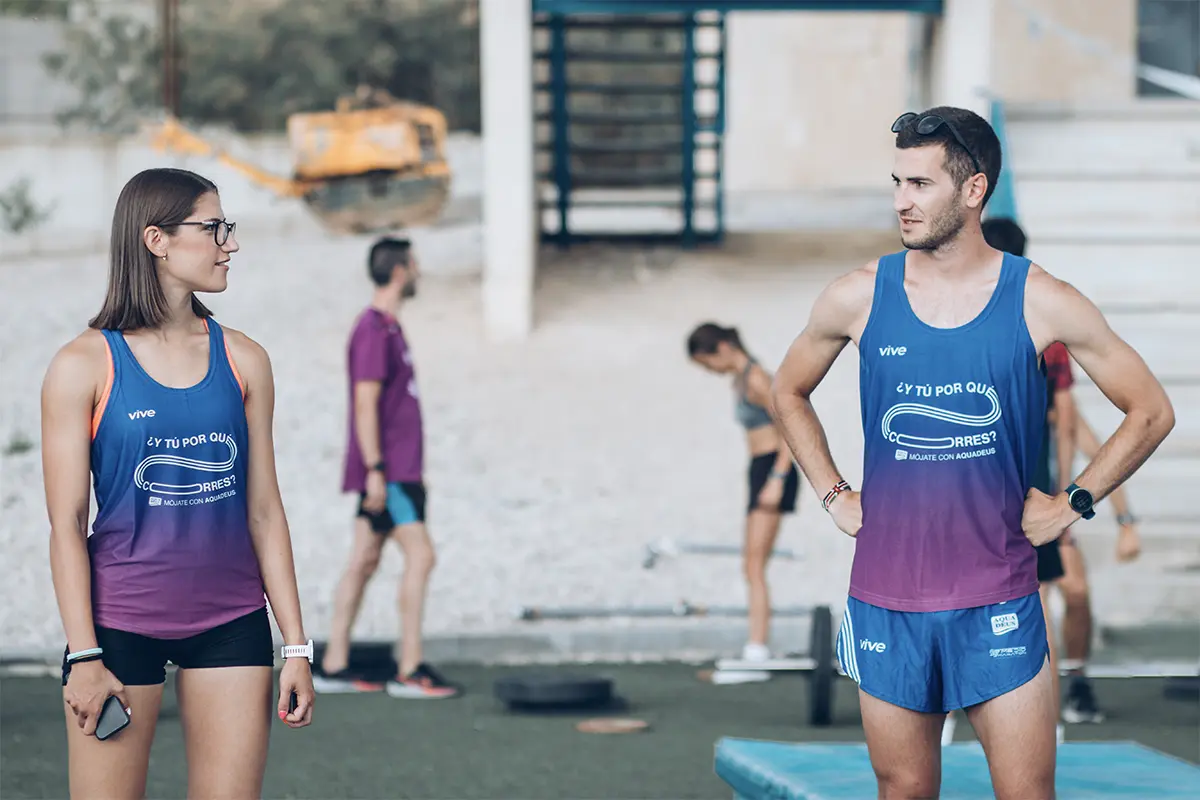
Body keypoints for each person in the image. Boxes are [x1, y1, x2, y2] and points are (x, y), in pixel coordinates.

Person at [771, 107, 1174, 799]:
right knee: (904, 790)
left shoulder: (1040, 298)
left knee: (1025, 794)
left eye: (921, 184)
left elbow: (1151, 411)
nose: (901, 199)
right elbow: (787, 390)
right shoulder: (859, 295)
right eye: (897, 181)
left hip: (998, 594)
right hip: (885, 598)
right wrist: (833, 492)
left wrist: (1072, 503)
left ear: (973, 190)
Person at [41, 167, 315, 800]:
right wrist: (83, 655)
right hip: (117, 629)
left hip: (231, 624)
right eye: (213, 227)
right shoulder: (82, 364)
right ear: (156, 240)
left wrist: (295, 644)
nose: (230, 243)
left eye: (228, 228)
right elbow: (65, 526)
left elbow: (266, 512)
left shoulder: (245, 359)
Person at [983, 217, 1142, 727]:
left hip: (1042, 493)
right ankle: (1030, 705)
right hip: (1002, 494)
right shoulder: (993, 346)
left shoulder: (1044, 340)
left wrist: (1076, 506)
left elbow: (1088, 434)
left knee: (1068, 593)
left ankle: (1073, 685)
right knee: (1041, 601)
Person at [315, 237, 458, 699]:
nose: (419, 272)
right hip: (391, 471)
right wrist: (376, 468)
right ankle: (410, 669)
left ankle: (334, 664)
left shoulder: (390, 328)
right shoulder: (374, 329)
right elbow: (364, 402)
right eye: (414, 264)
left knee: (364, 559)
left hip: (398, 469)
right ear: (399, 271)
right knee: (421, 555)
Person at [687, 323, 802, 679]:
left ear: (722, 348)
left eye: (708, 363)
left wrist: (777, 479)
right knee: (751, 565)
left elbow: (791, 427)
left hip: (772, 470)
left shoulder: (756, 379)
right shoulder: (741, 379)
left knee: (753, 566)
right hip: (760, 469)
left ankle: (757, 652)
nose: (710, 371)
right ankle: (756, 648)